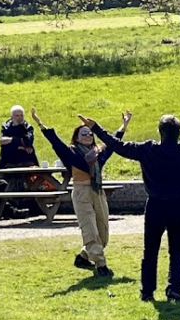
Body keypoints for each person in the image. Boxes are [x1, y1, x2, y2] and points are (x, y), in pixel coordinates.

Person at [87, 94, 180, 301]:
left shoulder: (148, 150)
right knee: (177, 250)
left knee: (150, 251)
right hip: (179, 206)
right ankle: (174, 290)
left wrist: (97, 128)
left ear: (160, 132)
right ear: (179, 133)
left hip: (155, 206)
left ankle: (147, 291)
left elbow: (118, 146)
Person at [29, 108, 130, 277]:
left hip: (97, 192)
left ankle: (83, 256)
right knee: (90, 229)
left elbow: (114, 142)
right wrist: (40, 123)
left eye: (90, 134)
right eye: (84, 133)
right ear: (76, 137)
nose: (88, 136)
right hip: (81, 193)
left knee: (103, 233)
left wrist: (124, 124)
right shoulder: (71, 152)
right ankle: (101, 264)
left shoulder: (99, 153)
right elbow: (55, 141)